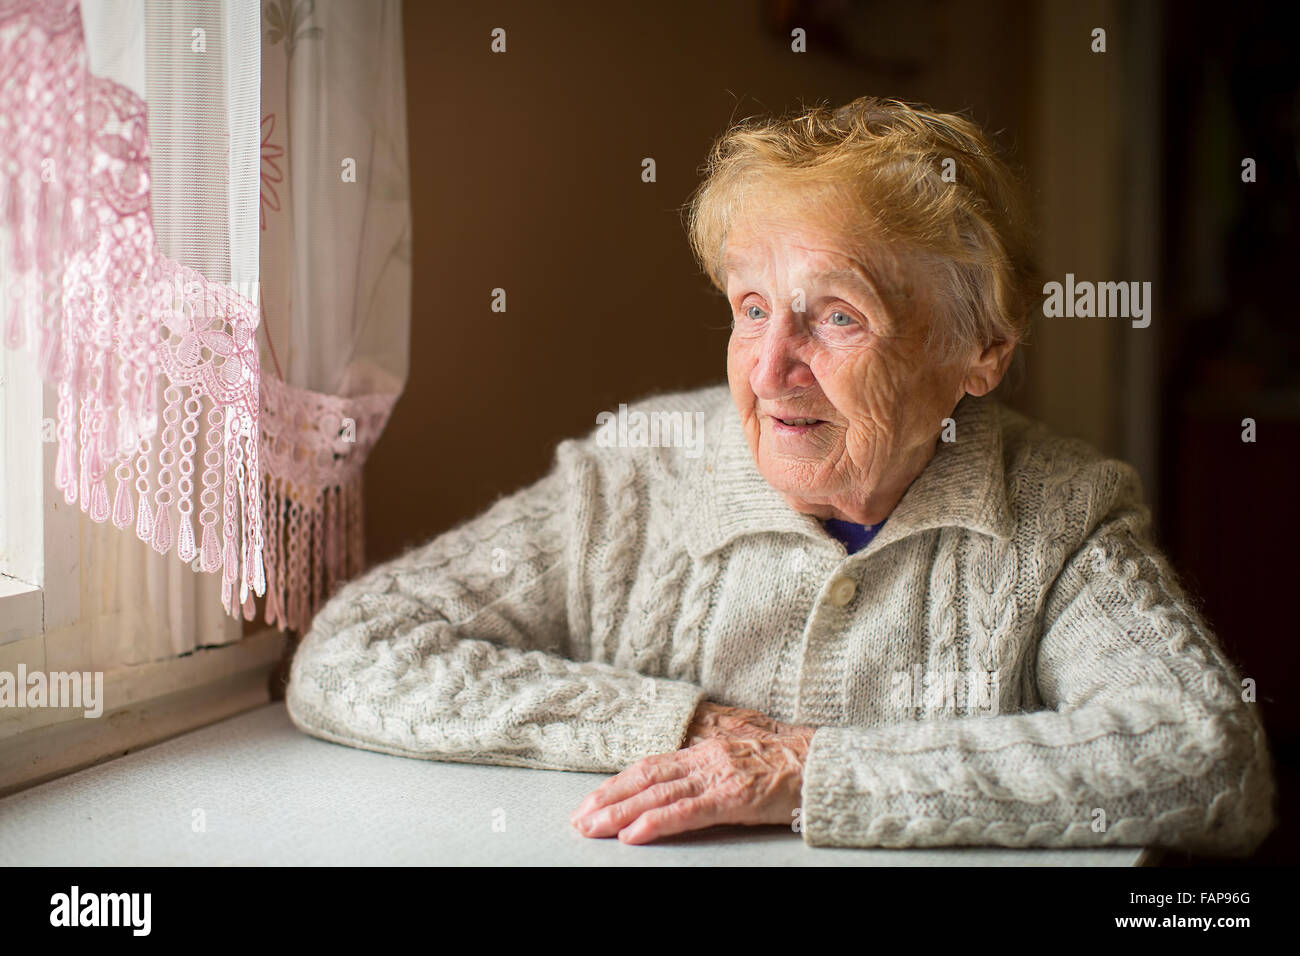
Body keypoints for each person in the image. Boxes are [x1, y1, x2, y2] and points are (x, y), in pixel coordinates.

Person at [286, 97, 1275, 853]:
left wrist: (808, 768)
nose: (767, 370)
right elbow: (349, 652)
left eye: (835, 315)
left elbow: (1207, 756)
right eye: (751, 306)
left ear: (981, 352)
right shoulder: (632, 477)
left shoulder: (1054, 516)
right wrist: (682, 721)